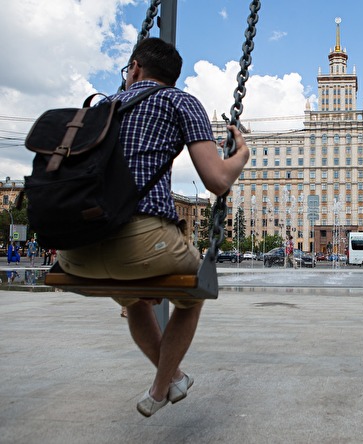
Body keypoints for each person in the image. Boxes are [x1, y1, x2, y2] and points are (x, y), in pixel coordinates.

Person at [56, 38, 249, 417]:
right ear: (172, 78)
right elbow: (216, 180)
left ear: (134, 68)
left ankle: (173, 377)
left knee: (134, 302)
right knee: (196, 290)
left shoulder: (101, 107)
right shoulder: (181, 101)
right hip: (143, 245)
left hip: (73, 253)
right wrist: (240, 154)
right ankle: (161, 387)